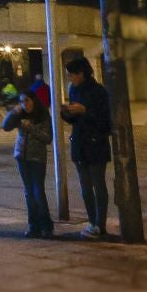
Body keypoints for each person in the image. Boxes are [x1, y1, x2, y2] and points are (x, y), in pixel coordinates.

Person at [60, 55, 113, 239]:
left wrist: (85, 111)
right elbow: (74, 119)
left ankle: (100, 224)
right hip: (80, 143)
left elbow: (106, 122)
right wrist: (66, 113)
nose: (70, 79)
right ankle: (92, 222)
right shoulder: (73, 90)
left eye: (72, 75)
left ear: (81, 73)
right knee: (85, 187)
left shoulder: (98, 92)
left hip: (96, 144)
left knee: (98, 185)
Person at [3, 81, 53, 238]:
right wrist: (13, 112)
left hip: (37, 157)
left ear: (34, 100)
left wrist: (30, 127)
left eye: (27, 101)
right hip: (21, 156)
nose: (25, 104)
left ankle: (46, 226)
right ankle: (33, 226)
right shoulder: (20, 114)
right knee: (28, 192)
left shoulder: (43, 115)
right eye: (22, 101)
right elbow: (5, 126)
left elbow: (47, 138)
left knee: (38, 191)